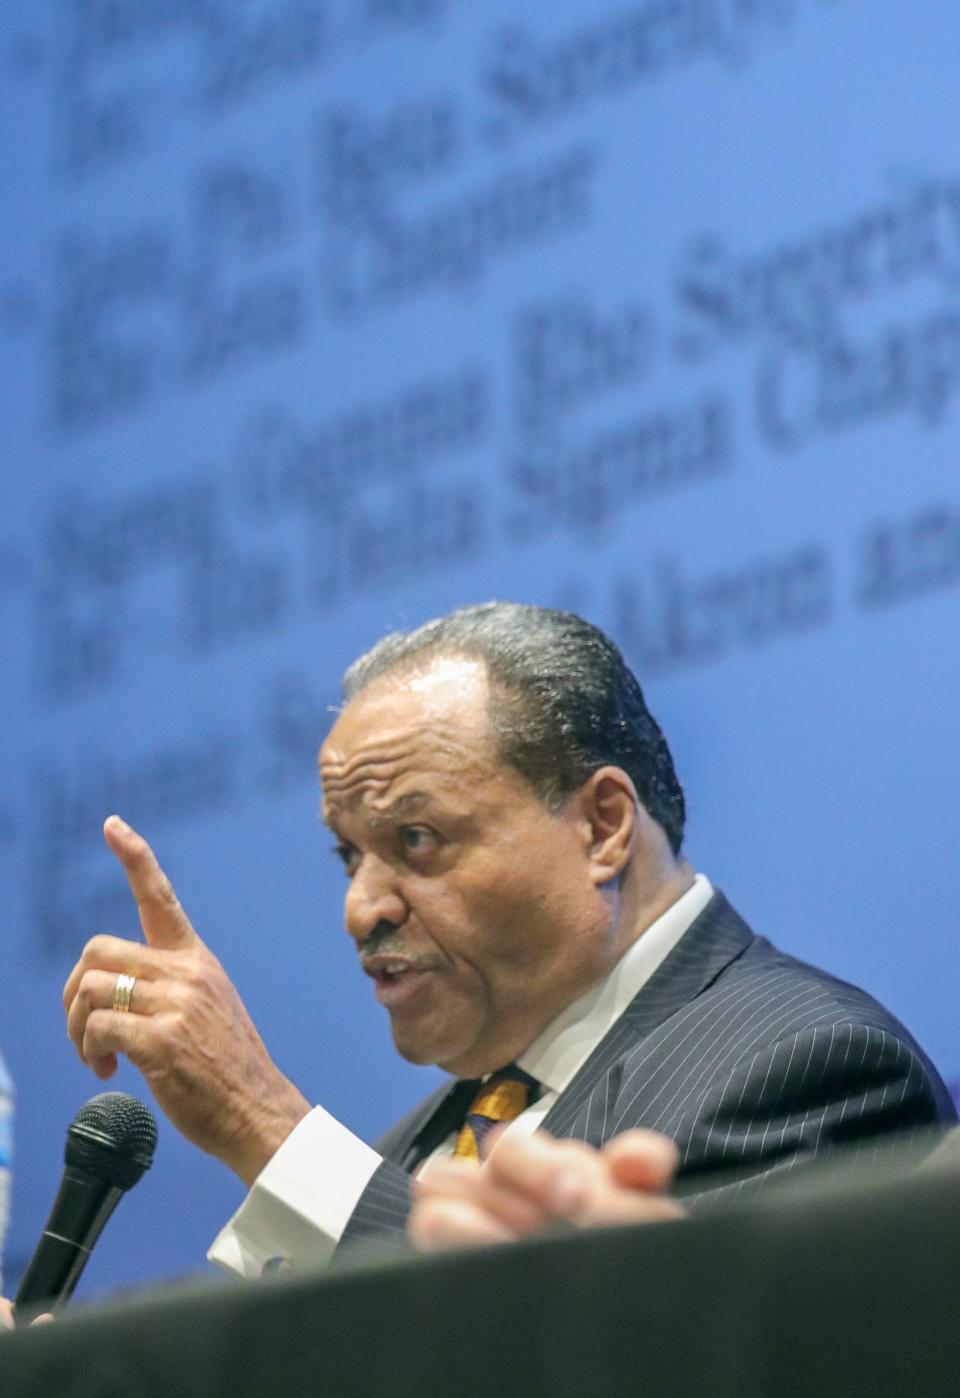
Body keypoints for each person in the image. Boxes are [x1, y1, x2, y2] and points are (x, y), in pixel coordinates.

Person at [57, 603, 955, 1277]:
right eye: (348, 858)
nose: (360, 909)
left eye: (416, 841)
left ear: (603, 826)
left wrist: (265, 1126)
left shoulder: (812, 1066)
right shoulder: (426, 1138)